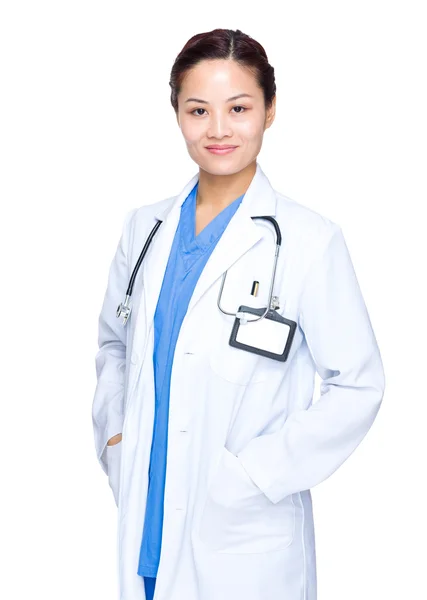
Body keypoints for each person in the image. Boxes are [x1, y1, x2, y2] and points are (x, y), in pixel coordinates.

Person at [92, 28, 385, 600]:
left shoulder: (307, 241)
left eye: (239, 108)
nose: (218, 129)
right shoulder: (144, 229)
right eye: (198, 109)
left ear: (270, 111)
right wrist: (117, 439)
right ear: (176, 112)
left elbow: (359, 385)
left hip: (243, 537)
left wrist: (256, 474)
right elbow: (114, 347)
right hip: (146, 521)